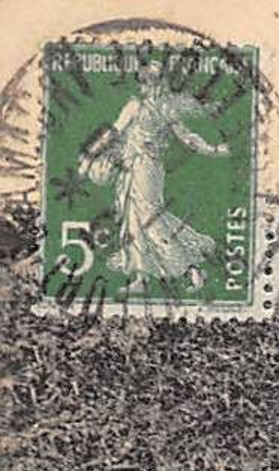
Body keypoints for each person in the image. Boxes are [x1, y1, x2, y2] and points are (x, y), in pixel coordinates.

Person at [78, 60, 230, 295]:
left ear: (156, 83)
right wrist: (213, 149)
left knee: (148, 217)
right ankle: (142, 277)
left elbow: (184, 136)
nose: (147, 86)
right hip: (138, 166)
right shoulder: (153, 106)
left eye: (150, 82)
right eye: (145, 82)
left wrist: (89, 158)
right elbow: (116, 134)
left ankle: (189, 268)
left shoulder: (146, 106)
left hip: (143, 167)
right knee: (134, 218)